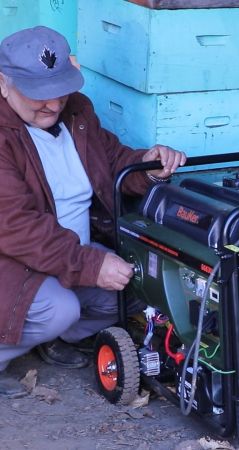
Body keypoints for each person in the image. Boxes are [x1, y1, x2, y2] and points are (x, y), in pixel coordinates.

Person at [0, 26, 186, 398]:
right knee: (60, 309)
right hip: (15, 261)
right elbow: (16, 226)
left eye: (59, 90)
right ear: (3, 84)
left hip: (67, 253)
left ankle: (51, 338)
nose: (53, 104)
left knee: (139, 285)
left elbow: (110, 161)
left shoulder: (77, 111)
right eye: (38, 94)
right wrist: (90, 264)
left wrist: (147, 165)